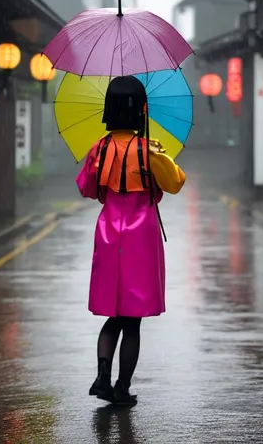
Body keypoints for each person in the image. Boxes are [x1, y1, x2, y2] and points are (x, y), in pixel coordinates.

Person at [76, 75, 186, 406]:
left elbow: (86, 188)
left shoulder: (100, 149)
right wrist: (156, 156)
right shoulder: (148, 149)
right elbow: (176, 182)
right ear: (142, 110)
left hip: (109, 232)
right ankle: (122, 388)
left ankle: (102, 376)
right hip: (140, 234)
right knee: (132, 318)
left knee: (114, 311)